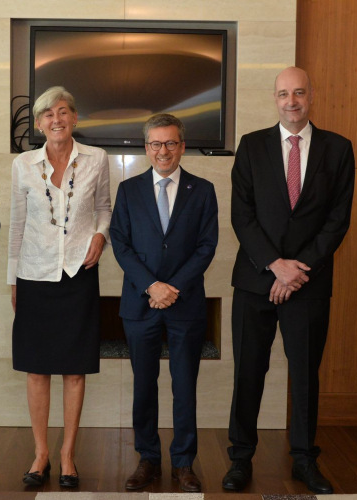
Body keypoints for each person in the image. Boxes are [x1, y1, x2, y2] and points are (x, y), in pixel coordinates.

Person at [223, 66, 355, 494]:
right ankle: (240, 458)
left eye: (299, 92)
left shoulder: (338, 149)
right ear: (274, 98)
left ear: (311, 95)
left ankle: (304, 459)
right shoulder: (251, 145)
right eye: (283, 94)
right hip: (255, 282)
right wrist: (274, 265)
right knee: (248, 372)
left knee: (305, 373)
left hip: (309, 284)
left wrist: (297, 270)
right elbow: (241, 215)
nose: (291, 101)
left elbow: (337, 220)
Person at [109, 114, 219, 493]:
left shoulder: (202, 190)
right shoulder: (128, 190)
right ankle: (148, 459)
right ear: (146, 148)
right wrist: (152, 286)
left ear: (182, 146)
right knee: (144, 385)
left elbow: (207, 246)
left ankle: (184, 463)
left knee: (184, 385)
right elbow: (120, 245)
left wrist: (173, 287)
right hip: (140, 304)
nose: (163, 150)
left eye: (170, 143)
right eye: (155, 144)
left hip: (185, 304)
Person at [8, 86, 111, 489]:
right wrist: (13, 278)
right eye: (48, 114)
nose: (57, 120)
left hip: (78, 273)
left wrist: (101, 235)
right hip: (34, 274)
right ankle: (41, 453)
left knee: (74, 368)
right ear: (38, 124)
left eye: (63, 111)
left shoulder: (96, 159)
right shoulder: (23, 164)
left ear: (74, 118)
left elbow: (104, 208)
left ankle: (67, 454)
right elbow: (17, 223)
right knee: (36, 368)